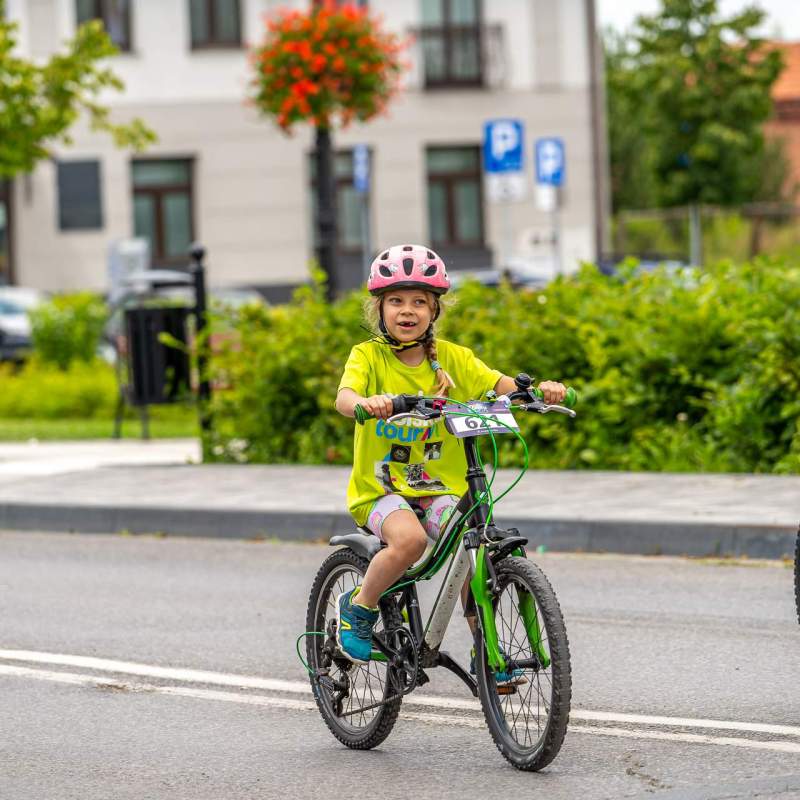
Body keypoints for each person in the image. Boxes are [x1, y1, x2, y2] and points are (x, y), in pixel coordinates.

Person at [334, 243, 566, 667]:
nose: (408, 311)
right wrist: (368, 403)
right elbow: (346, 396)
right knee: (410, 541)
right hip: (381, 490)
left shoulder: (455, 359)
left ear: (435, 310)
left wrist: (538, 391)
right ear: (379, 310)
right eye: (396, 301)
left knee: (471, 542)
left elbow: (499, 383)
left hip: (441, 487)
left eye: (420, 301)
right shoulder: (368, 356)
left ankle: (487, 651)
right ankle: (360, 606)